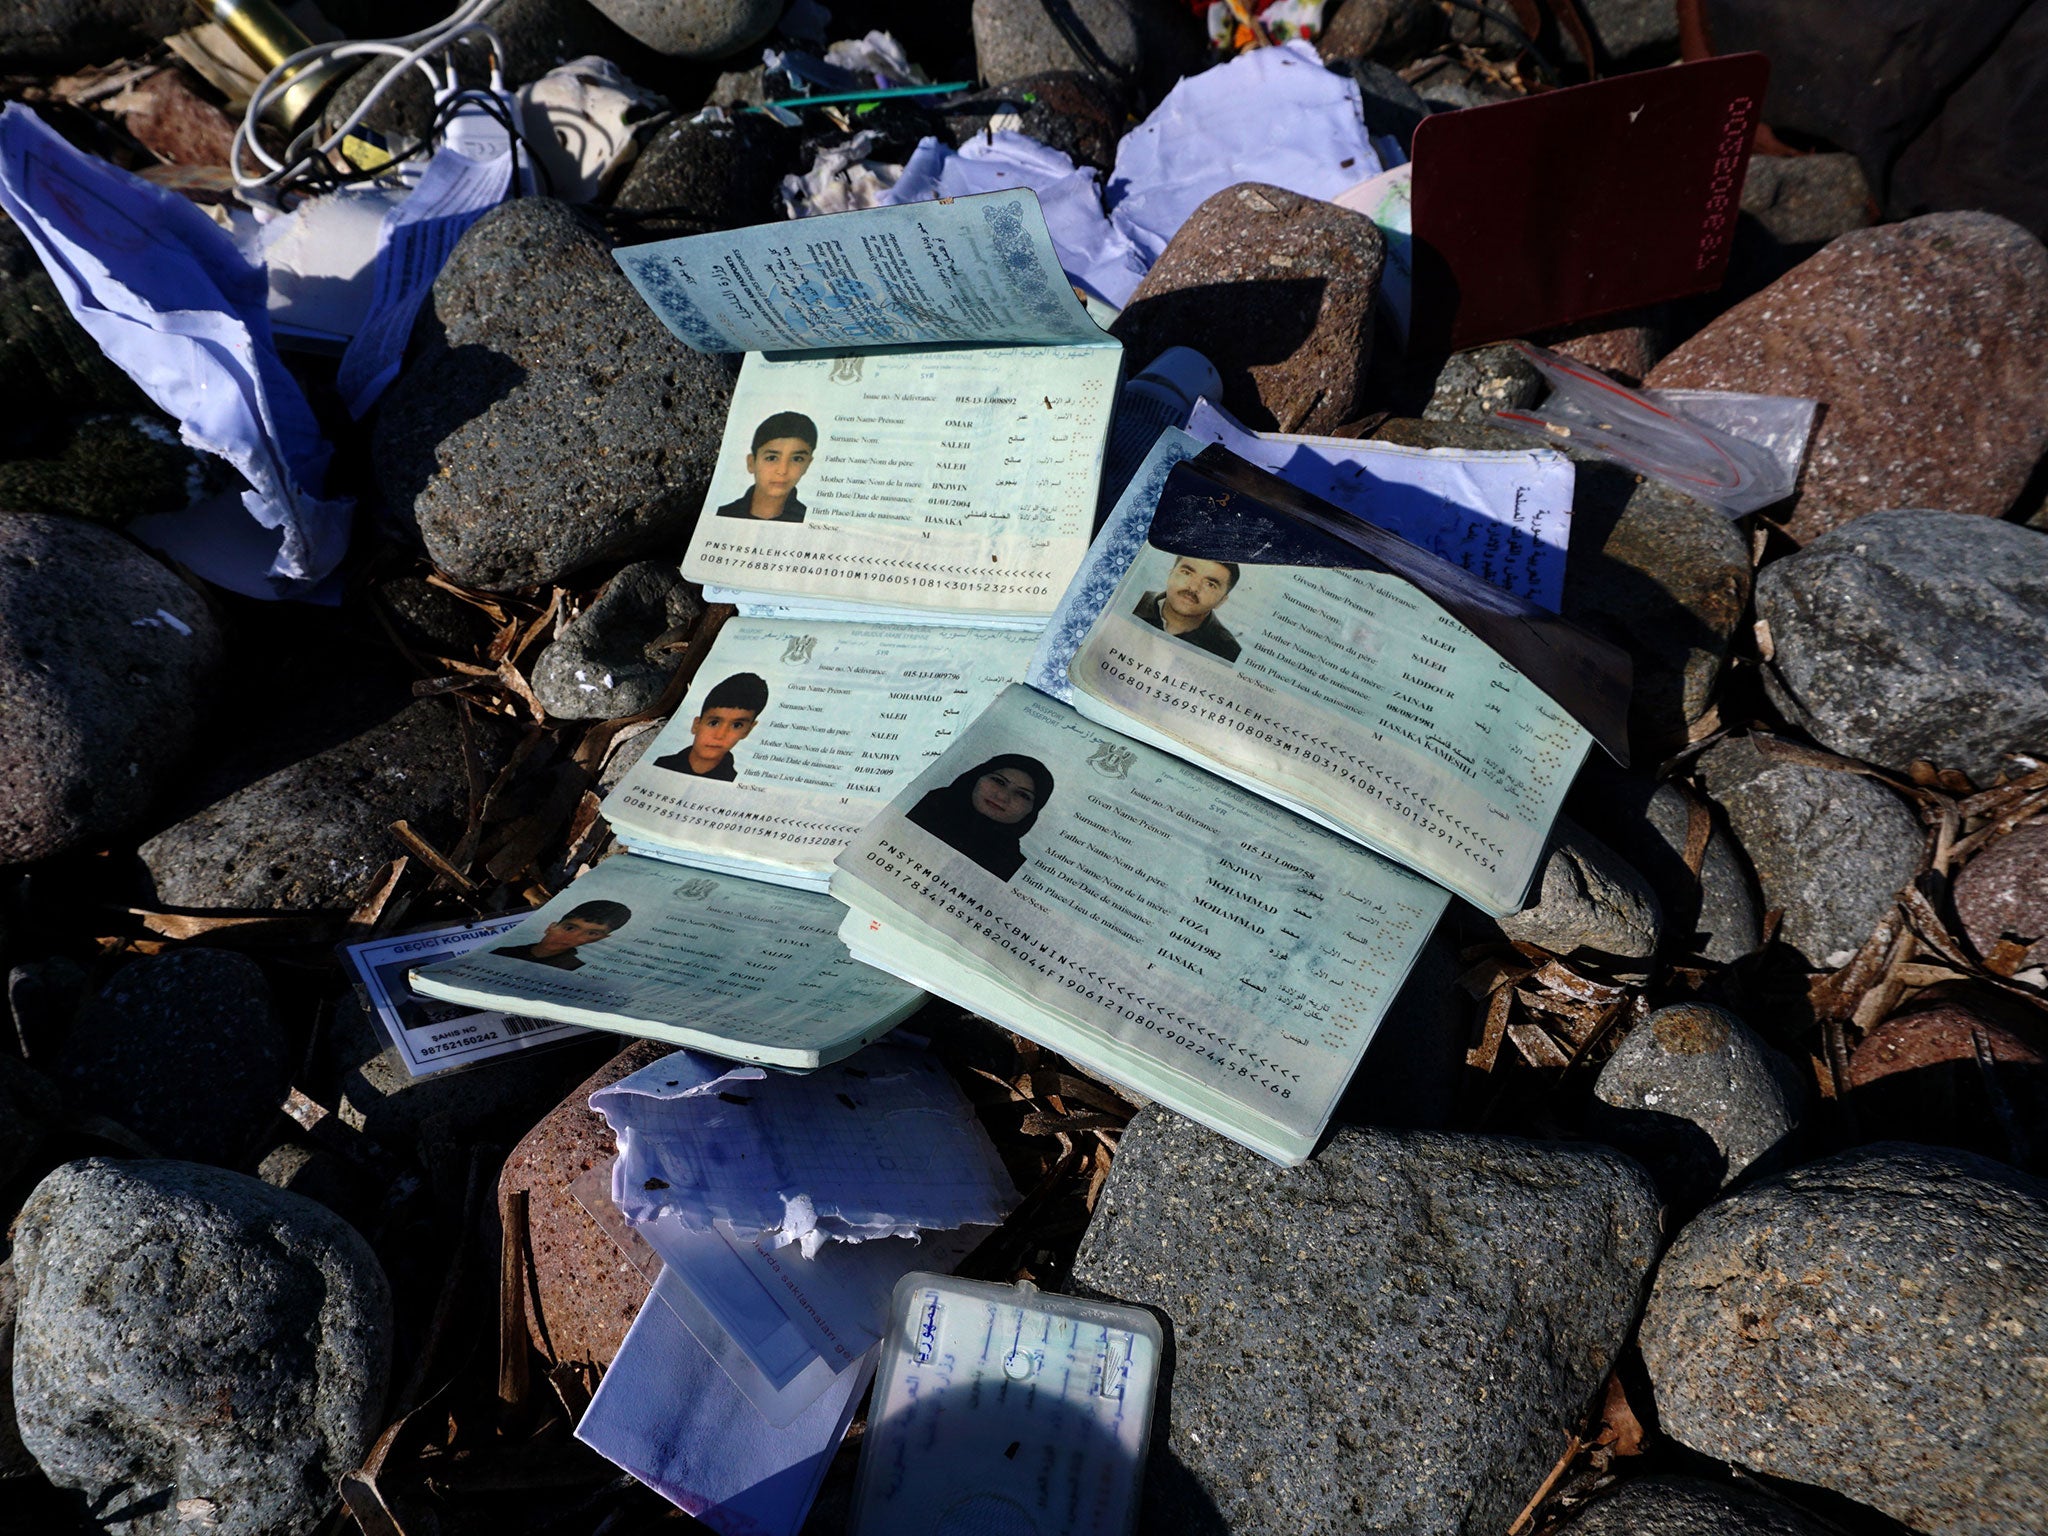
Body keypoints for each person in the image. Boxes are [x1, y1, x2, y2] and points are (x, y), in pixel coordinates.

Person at [906, 753, 1055, 882]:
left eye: (1023, 795)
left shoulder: (1011, 865)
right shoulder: (919, 805)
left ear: (1032, 810)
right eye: (999, 781)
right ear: (976, 778)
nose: (1002, 796)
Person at [653, 672, 768, 781]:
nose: (720, 735)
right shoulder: (661, 764)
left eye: (737, 725)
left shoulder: (735, 780)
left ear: (748, 730)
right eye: (713, 723)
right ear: (696, 724)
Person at [1133, 555, 1242, 662]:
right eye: (1187, 573)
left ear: (1221, 601)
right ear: (1170, 574)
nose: (1193, 587)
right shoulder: (1132, 599)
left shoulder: (1229, 652)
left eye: (1210, 584)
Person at [715, 411, 818, 523]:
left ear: (807, 465)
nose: (782, 471)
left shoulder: (812, 521)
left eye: (797, 459)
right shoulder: (721, 514)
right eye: (772, 458)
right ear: (751, 463)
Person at [492, 900, 632, 971]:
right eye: (569, 928)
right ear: (551, 926)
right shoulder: (502, 952)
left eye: (592, 933)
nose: (572, 938)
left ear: (599, 939)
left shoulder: (574, 969)